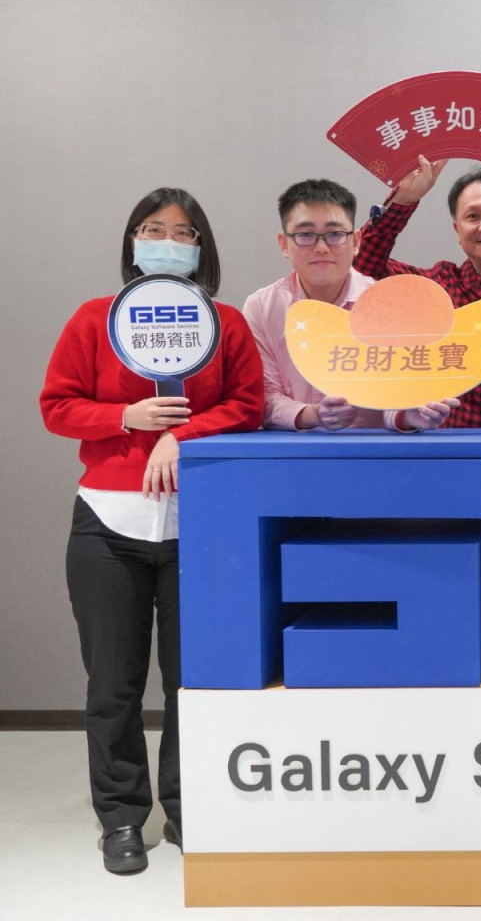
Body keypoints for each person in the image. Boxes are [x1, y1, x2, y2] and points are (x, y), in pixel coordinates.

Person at [39, 188, 265, 874]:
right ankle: (121, 817)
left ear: (202, 247)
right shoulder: (94, 319)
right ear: (132, 242)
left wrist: (181, 436)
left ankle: (192, 807)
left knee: (192, 680)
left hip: (200, 526)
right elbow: (57, 406)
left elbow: (248, 404)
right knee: (113, 683)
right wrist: (124, 418)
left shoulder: (225, 322)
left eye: (183, 231)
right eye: (152, 228)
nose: (167, 240)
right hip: (108, 525)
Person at [351, 159, 481, 427]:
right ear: (457, 230)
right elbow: (363, 267)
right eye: (473, 217)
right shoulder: (437, 287)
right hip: (455, 445)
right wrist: (404, 200)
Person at [244, 179, 457, 432]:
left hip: (370, 449)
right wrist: (313, 415)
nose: (321, 248)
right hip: (289, 449)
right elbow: (264, 395)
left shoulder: (386, 304)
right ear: (284, 244)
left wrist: (409, 416)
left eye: (335, 234)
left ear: (356, 242)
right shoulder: (261, 307)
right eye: (305, 235)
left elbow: (395, 394)